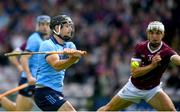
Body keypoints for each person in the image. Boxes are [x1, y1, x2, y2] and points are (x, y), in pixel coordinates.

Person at [98, 21, 180, 111]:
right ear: (148, 34)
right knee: (107, 109)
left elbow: (176, 58)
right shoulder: (140, 48)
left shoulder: (167, 51)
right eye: (151, 33)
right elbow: (134, 72)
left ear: (163, 34)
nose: (154, 36)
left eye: (158, 33)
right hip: (133, 88)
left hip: (152, 90)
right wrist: (152, 66)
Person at [34, 15, 86, 111]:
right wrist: (72, 58)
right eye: (66, 26)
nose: (70, 29)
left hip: (57, 92)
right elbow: (56, 66)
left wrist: (74, 55)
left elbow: (75, 60)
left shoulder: (70, 45)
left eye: (71, 26)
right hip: (44, 91)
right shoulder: (47, 45)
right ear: (57, 28)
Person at [0, 15, 51, 111]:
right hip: (30, 81)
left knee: (19, 109)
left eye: (47, 24)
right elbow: (18, 57)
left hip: (37, 81)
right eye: (42, 24)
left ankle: (1, 100)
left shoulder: (44, 40)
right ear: (37, 26)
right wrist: (27, 74)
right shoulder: (34, 39)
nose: (45, 27)